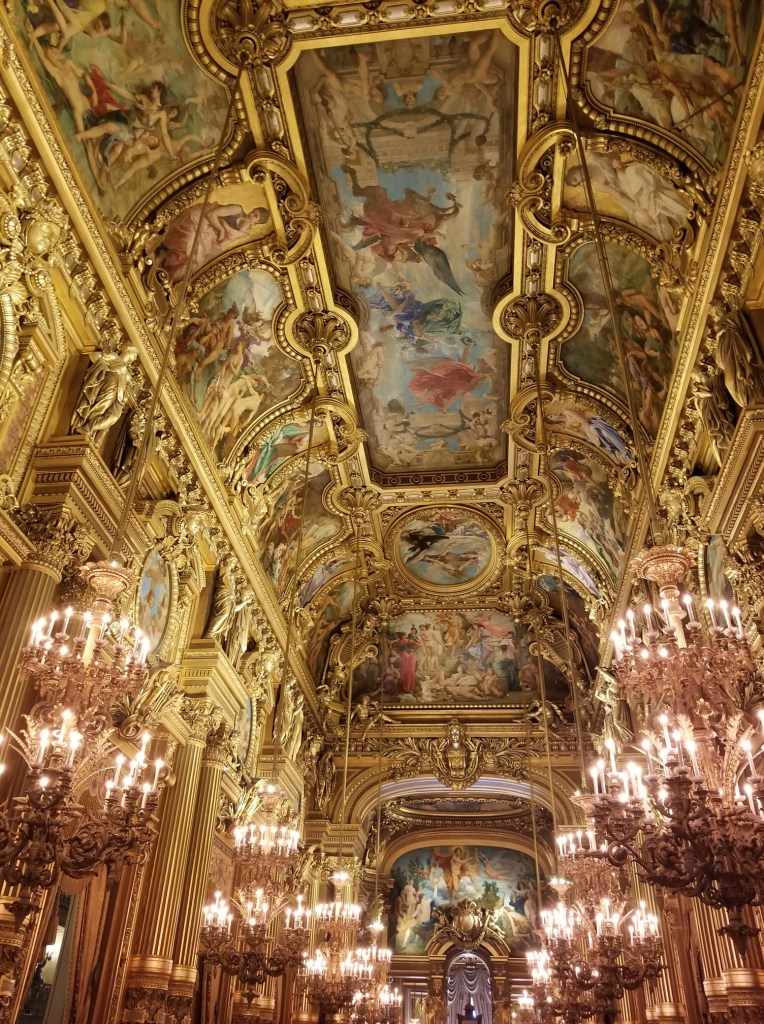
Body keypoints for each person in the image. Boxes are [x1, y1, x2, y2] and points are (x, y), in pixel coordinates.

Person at [70, 345, 137, 438]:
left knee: (113, 416)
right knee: (99, 408)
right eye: (132, 354)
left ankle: (88, 428)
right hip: (110, 382)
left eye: (133, 357)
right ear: (125, 351)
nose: (132, 358)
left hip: (119, 396)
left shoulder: (128, 374)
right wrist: (106, 367)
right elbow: (94, 356)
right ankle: (85, 428)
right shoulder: (114, 356)